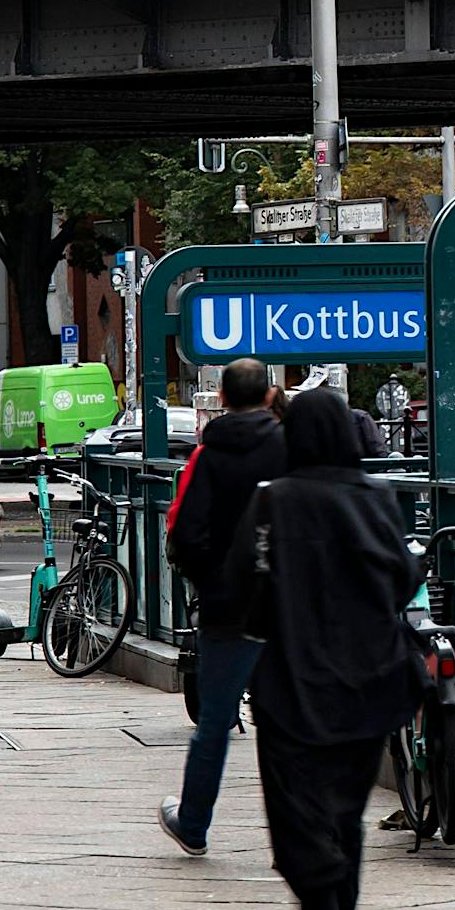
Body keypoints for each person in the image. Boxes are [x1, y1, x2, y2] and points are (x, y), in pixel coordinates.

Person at [224, 392, 420, 910]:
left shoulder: (272, 501)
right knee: (345, 814)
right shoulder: (376, 497)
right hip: (371, 681)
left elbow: (239, 587)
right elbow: (405, 578)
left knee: (298, 815)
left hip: (293, 683)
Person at [158, 357, 287, 858]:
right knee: (284, 722)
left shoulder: (207, 456)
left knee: (215, 720)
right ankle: (294, 828)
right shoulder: (290, 448)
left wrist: (210, 582)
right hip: (284, 605)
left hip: (227, 608)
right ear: (270, 395)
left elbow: (184, 531)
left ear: (224, 399)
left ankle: (193, 823)